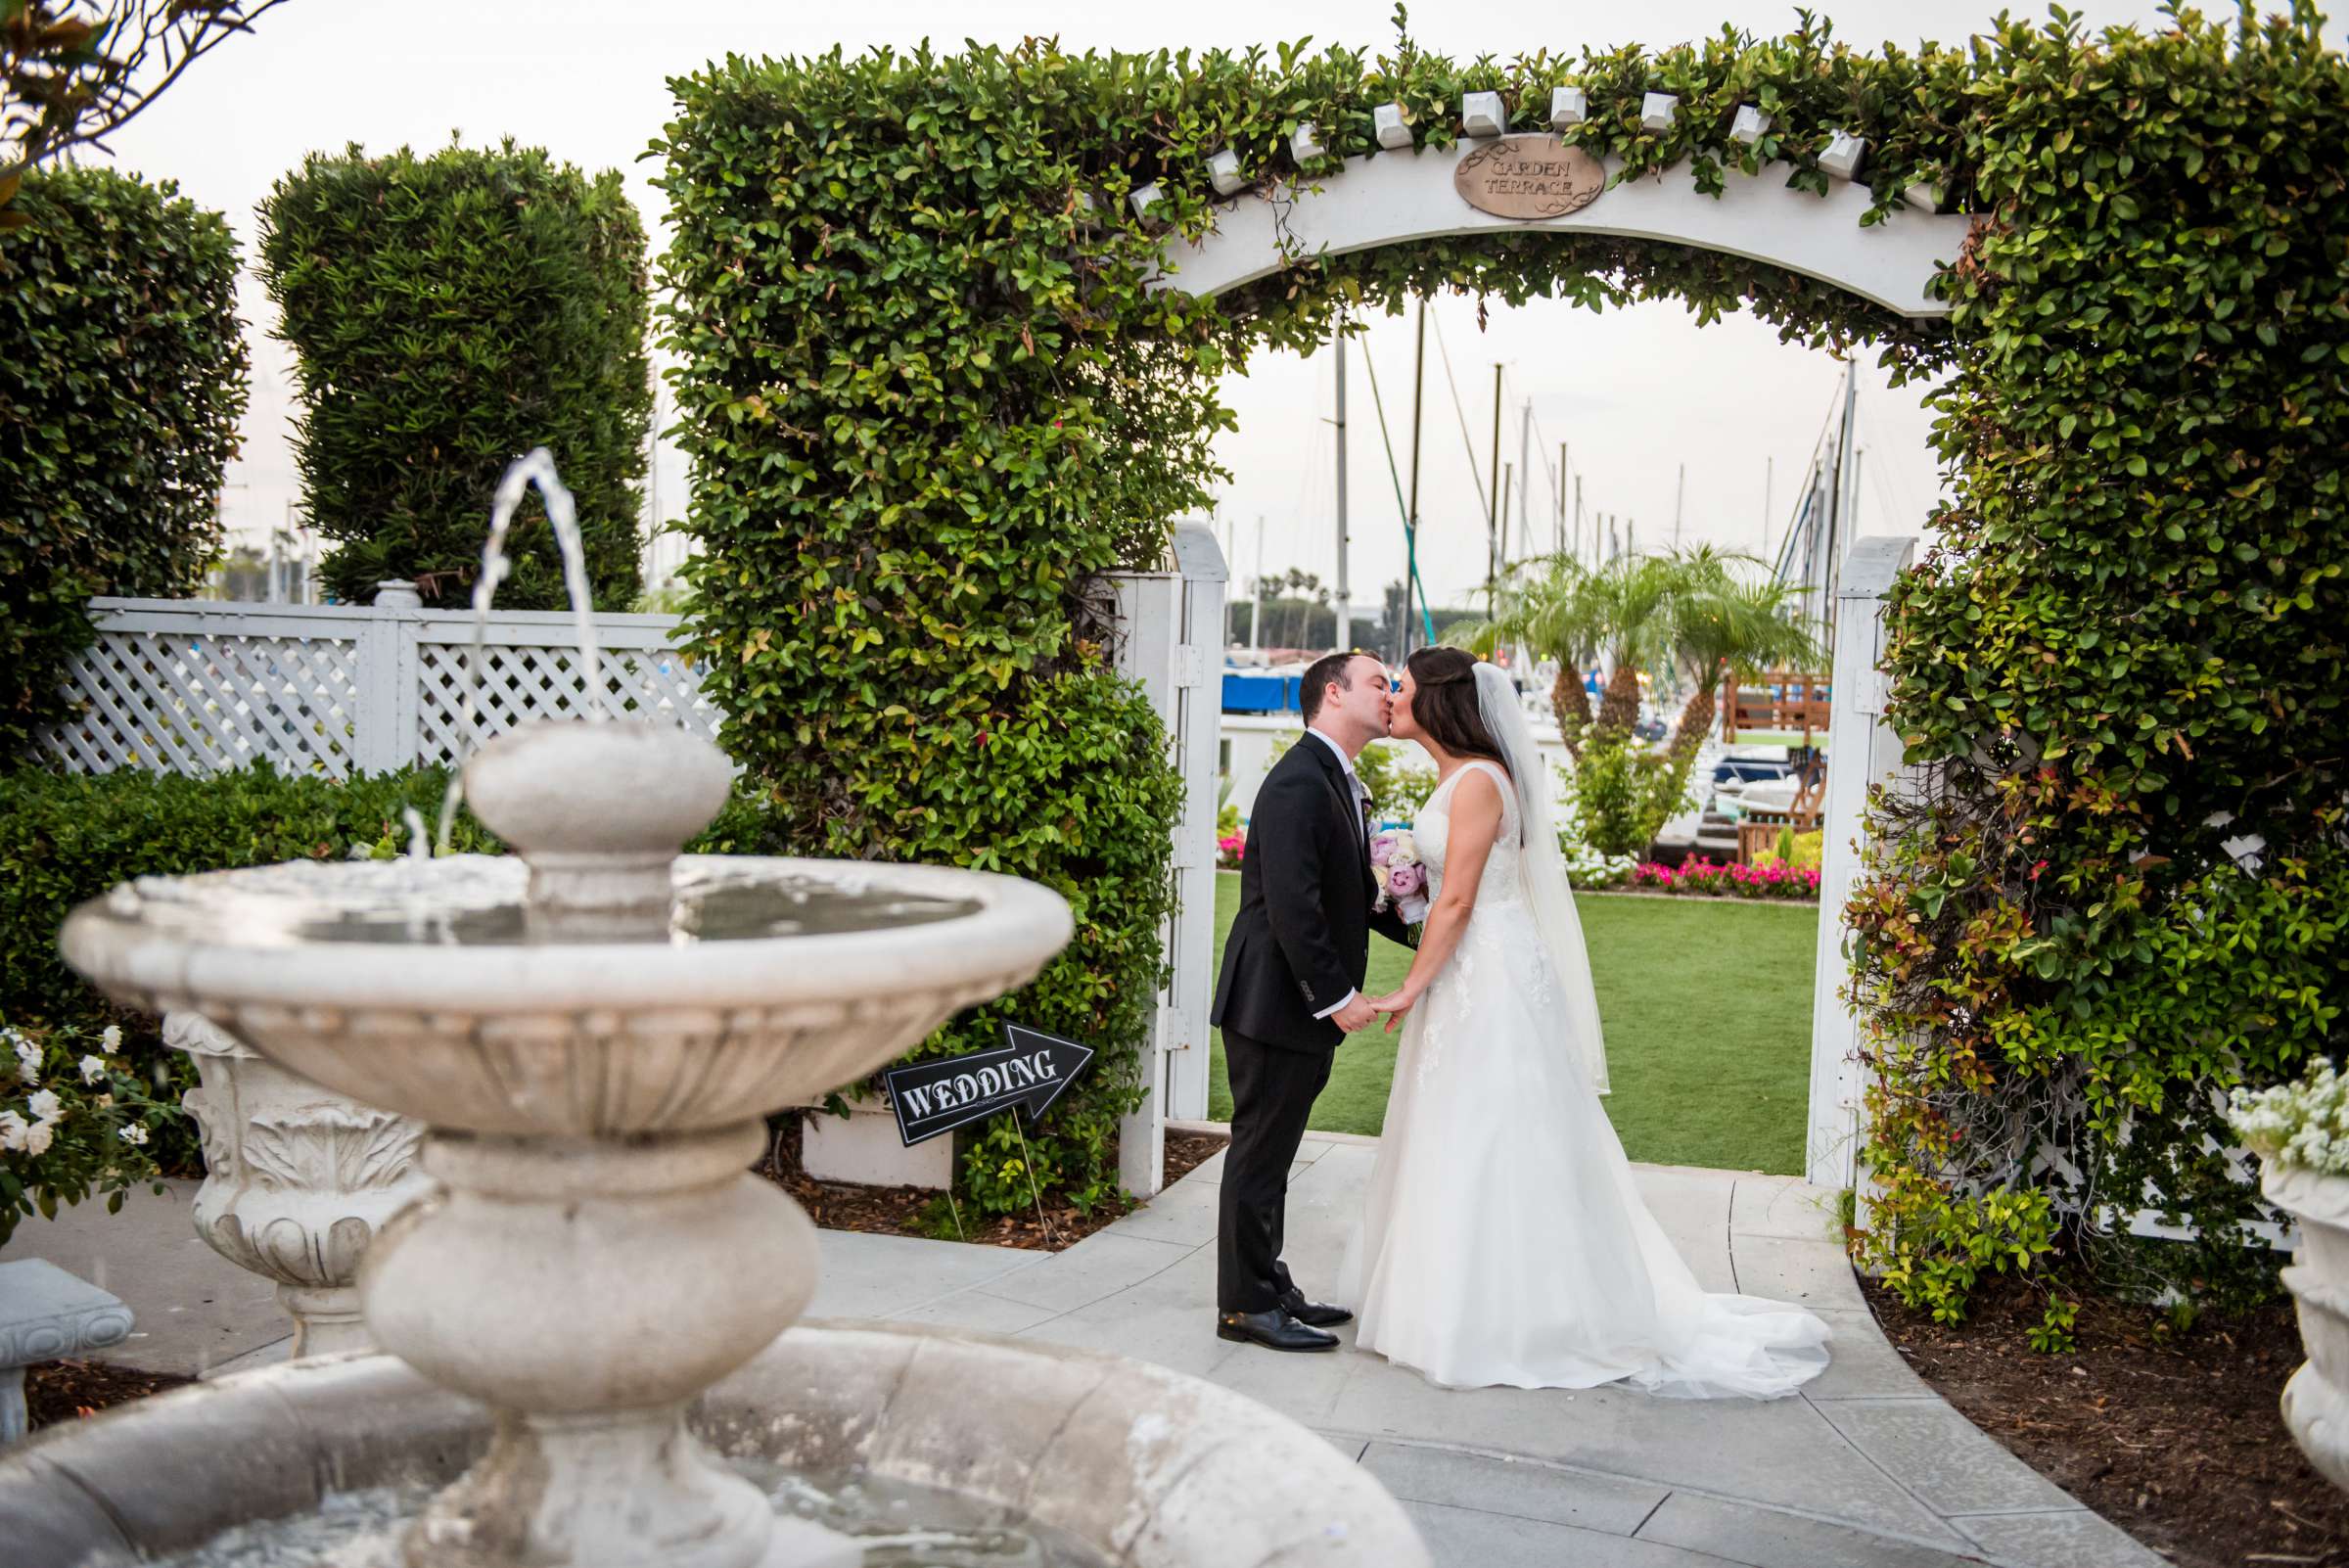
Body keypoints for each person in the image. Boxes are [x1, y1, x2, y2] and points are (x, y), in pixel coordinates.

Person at [1338, 646, 1832, 1397]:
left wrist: (1408, 987)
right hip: (1471, 967)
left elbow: (1462, 901)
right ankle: (1445, 1302)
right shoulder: (1458, 776)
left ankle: (1515, 1316)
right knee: (1456, 1123)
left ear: (1439, 701)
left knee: (1496, 1127)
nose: (1393, 700)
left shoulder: (1477, 781)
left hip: (1493, 970)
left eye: (1402, 688)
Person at [1210, 650, 1413, 1353]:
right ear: (1334, 694)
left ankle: (1270, 1285)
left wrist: (1429, 926)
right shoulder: (1300, 780)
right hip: (1273, 1002)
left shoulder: (1336, 777)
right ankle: (1243, 1307)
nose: (1390, 694)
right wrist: (1337, 998)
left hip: (1289, 1005)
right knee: (1259, 1153)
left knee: (1275, 1151)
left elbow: (1353, 893)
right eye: (1379, 683)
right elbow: (1295, 908)